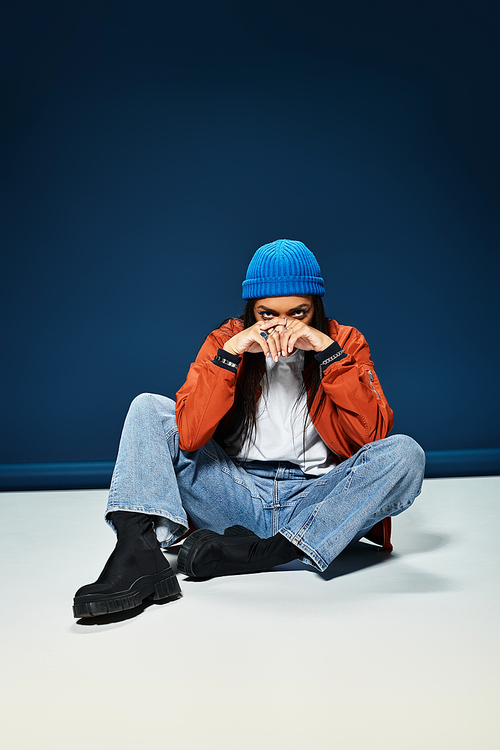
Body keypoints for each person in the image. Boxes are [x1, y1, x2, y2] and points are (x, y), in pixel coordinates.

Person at [73, 239, 425, 618]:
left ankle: (270, 551)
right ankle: (136, 555)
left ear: (316, 307)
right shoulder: (225, 342)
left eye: (299, 312)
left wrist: (328, 351)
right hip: (234, 498)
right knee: (148, 407)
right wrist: (230, 355)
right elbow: (189, 435)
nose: (284, 325)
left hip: (316, 501)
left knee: (406, 453)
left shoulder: (345, 342)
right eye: (267, 313)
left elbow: (373, 437)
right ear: (251, 310)